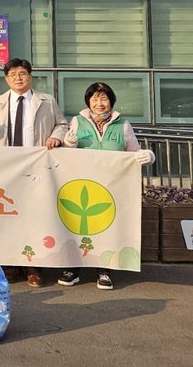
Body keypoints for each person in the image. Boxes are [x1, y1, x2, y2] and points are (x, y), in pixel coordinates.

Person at [57, 82, 155, 291]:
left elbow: (134, 152)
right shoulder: (77, 122)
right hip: (82, 185)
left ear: (111, 101)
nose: (99, 103)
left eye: (103, 98)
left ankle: (104, 270)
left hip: (112, 186)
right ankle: (73, 269)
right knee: (78, 226)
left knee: (107, 227)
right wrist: (69, 144)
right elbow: (66, 156)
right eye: (95, 99)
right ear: (88, 102)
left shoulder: (123, 124)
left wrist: (148, 156)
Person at [0, 58, 68, 288]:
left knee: (34, 216)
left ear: (30, 76)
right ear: (6, 79)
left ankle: (33, 266)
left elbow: (62, 124)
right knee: (7, 215)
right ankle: (10, 264)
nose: (18, 78)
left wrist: (56, 137)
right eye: (13, 75)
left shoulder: (46, 101)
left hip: (36, 167)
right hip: (8, 168)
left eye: (22, 73)